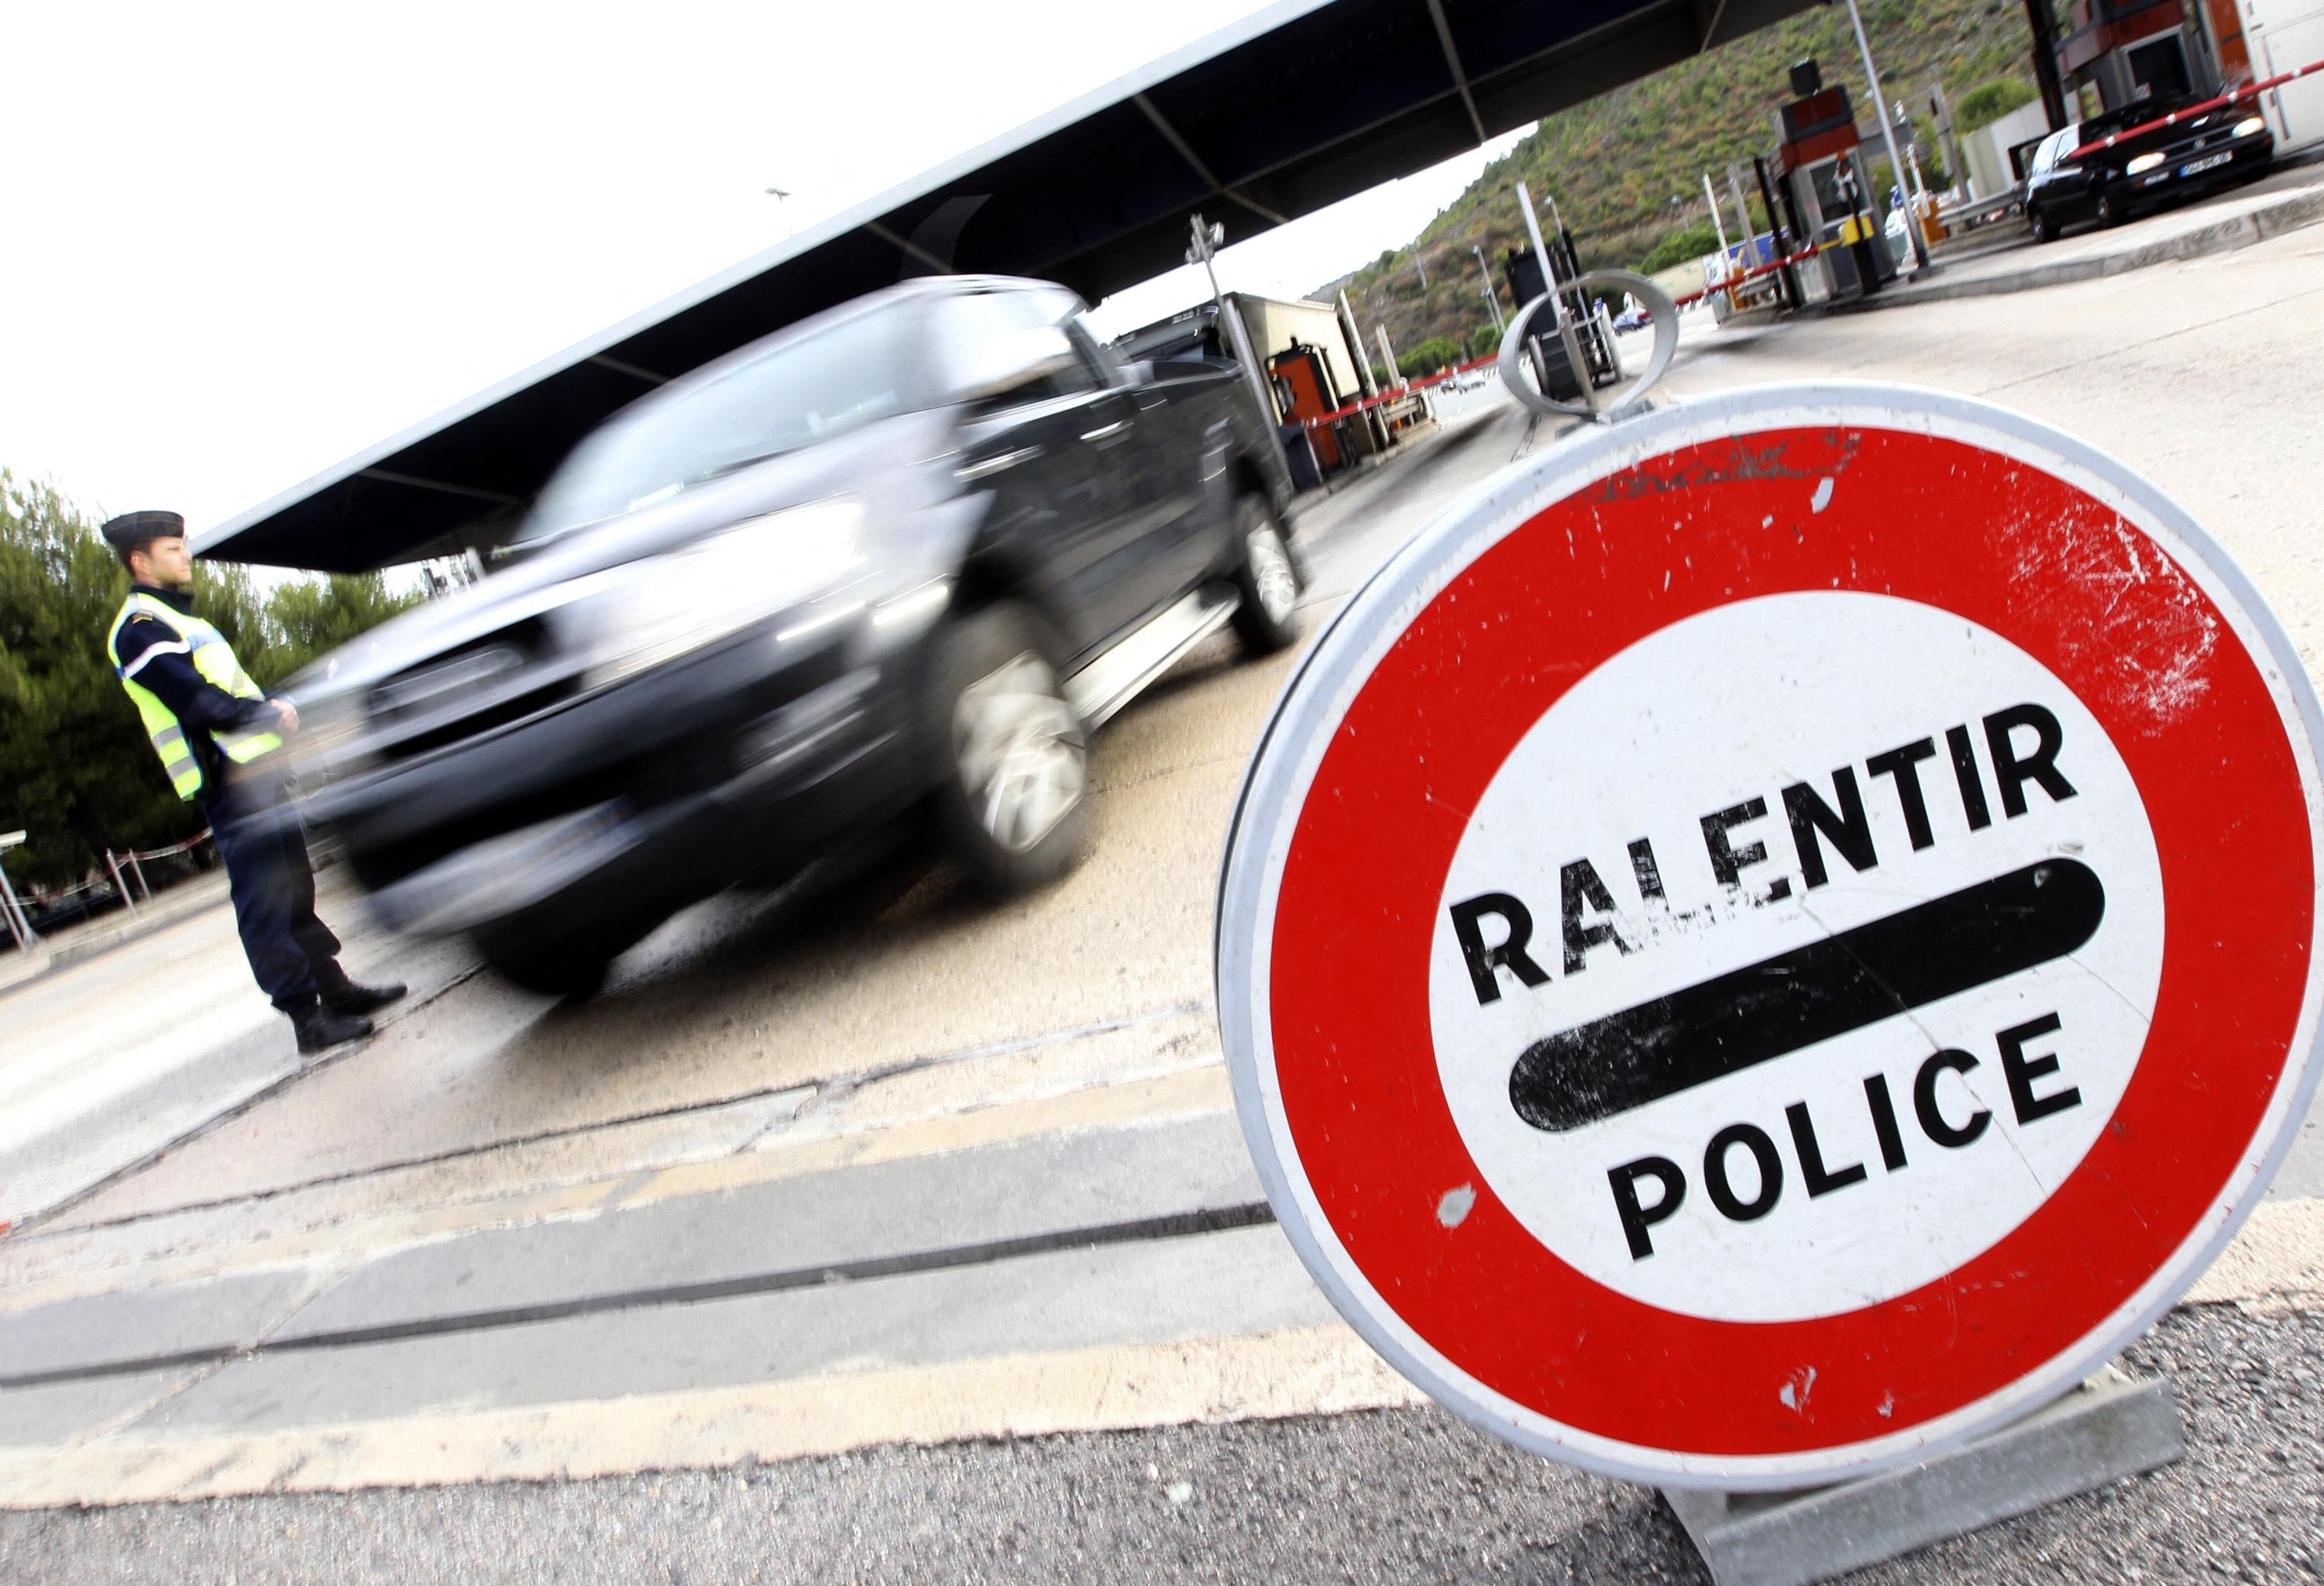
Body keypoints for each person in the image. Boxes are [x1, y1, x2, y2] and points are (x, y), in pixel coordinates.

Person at [101, 510, 403, 1054]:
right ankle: (306, 1020)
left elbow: (226, 685)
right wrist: (266, 715)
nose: (185, 555)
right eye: (173, 549)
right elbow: (197, 700)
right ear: (140, 561)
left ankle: (332, 990)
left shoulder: (180, 621)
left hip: (258, 772)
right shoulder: (139, 629)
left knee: (293, 890)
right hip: (227, 783)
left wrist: (270, 708)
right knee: (264, 901)